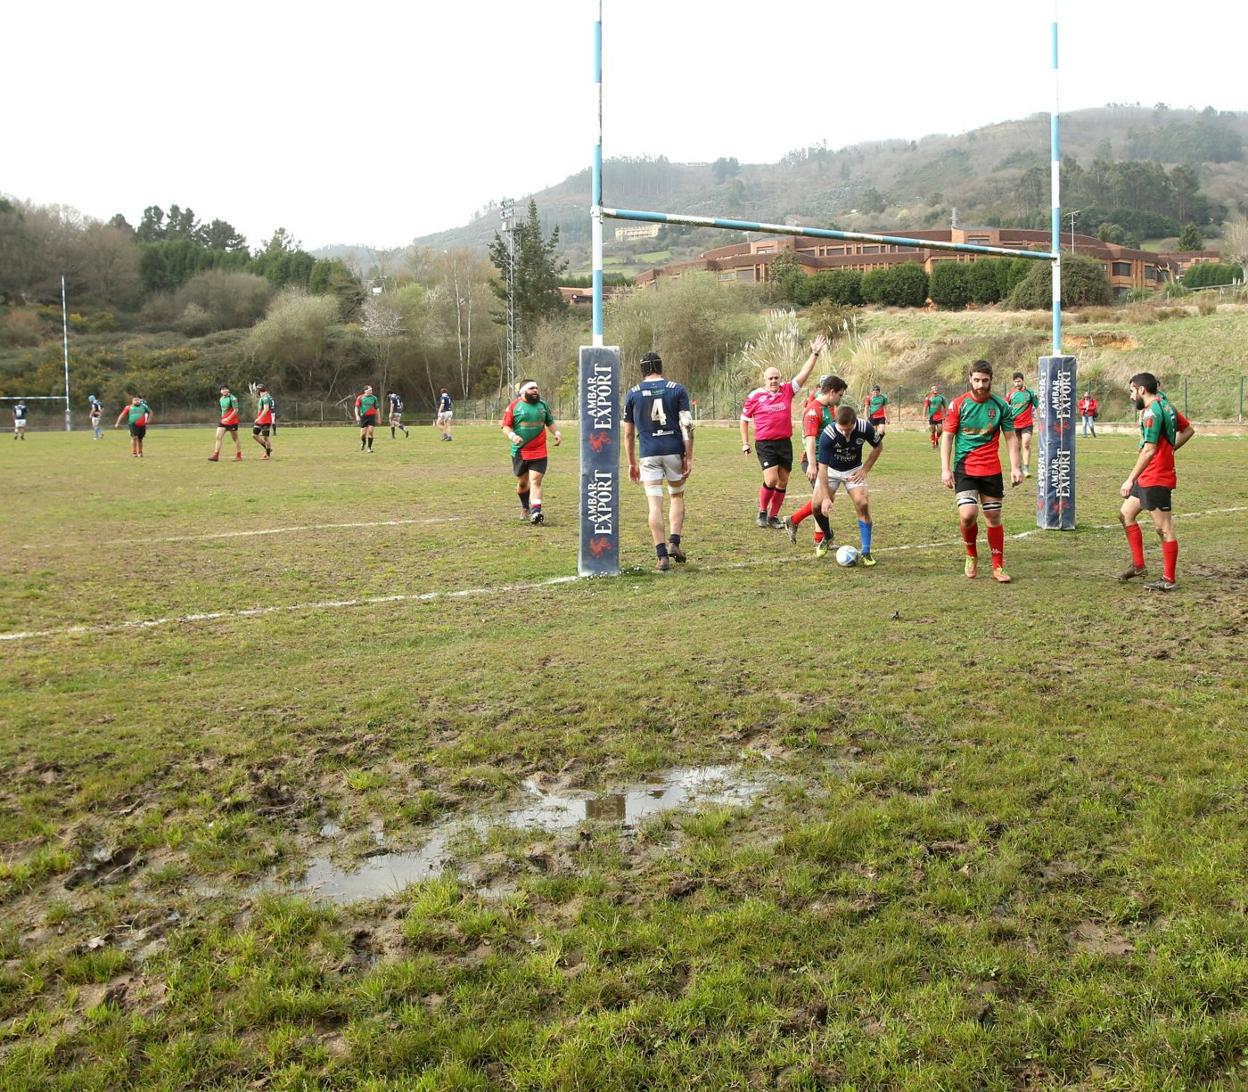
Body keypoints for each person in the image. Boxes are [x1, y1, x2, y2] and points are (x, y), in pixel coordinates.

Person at [941, 360, 1022, 583]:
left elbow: (1010, 437)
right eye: (976, 380)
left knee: (993, 516)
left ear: (991, 380)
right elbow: (947, 437)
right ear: (970, 379)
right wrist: (945, 469)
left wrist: (1016, 467)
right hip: (965, 468)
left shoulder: (1001, 406)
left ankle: (998, 566)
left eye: (985, 380)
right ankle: (971, 555)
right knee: (968, 515)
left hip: (990, 469)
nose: (980, 385)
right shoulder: (958, 405)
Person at [740, 333, 828, 528]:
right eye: (770, 378)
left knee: (783, 481)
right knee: (771, 479)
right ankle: (762, 511)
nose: (773, 381)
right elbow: (744, 420)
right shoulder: (755, 396)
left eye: (776, 378)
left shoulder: (787, 390)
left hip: (784, 442)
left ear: (781, 379)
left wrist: (814, 354)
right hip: (765, 443)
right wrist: (745, 442)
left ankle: (773, 516)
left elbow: (803, 375)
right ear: (764, 380)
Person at [1118, 372, 1195, 592]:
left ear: (1141, 390)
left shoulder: (1152, 412)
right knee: (1125, 514)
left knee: (1163, 528)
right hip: (1149, 476)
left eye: (1132, 391)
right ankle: (1139, 565)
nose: (1132, 397)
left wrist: (1129, 479)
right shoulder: (1166, 405)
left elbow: (1149, 450)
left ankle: (1169, 579)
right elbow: (1188, 429)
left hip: (1156, 477)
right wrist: (1170, 448)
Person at [624, 352, 694, 571]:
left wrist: (631, 462)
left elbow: (627, 434)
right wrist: (688, 455)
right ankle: (674, 542)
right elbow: (687, 426)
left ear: (642, 370)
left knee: (654, 504)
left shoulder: (633, 394)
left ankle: (662, 556)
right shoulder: (678, 389)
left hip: (648, 453)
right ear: (661, 367)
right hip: (673, 450)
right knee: (676, 496)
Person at [814, 405, 884, 565]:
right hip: (830, 470)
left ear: (855, 422)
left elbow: (878, 446)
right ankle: (827, 535)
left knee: (863, 503)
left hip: (853, 470)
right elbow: (822, 468)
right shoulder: (828, 434)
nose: (845, 432)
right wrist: (826, 498)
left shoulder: (864, 427)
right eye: (842, 429)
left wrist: (865, 469)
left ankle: (866, 551)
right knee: (817, 506)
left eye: (849, 429)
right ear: (836, 422)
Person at [784, 374, 847, 547]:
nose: (840, 399)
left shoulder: (827, 408)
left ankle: (794, 520)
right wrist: (812, 464)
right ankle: (821, 539)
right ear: (832, 392)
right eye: (840, 395)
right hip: (815, 461)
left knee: (824, 499)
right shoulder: (814, 410)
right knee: (821, 502)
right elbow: (810, 439)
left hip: (826, 461)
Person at [502, 380, 561, 524]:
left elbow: (550, 422)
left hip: (539, 451)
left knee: (535, 481)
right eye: (531, 388)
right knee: (523, 483)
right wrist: (513, 436)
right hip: (521, 451)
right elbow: (505, 426)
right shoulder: (514, 406)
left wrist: (557, 433)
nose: (535, 390)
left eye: (536, 388)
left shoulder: (543, 405)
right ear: (523, 391)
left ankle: (536, 512)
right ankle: (524, 507)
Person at [1007, 371, 1039, 478]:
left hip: (1027, 424)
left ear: (1022, 381)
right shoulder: (1010, 394)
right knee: (1017, 447)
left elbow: (1038, 405)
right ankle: (1018, 467)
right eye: (1015, 382)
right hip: (1014, 425)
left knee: (1026, 443)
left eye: (1019, 381)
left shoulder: (1030, 392)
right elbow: (1005, 408)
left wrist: (1041, 418)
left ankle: (1026, 468)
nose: (1017, 383)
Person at [209, 385, 243, 462]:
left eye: (225, 389)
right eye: (222, 389)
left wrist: (228, 418)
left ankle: (239, 456)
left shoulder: (233, 398)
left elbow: (236, 410)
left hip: (232, 421)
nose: (224, 390)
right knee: (218, 436)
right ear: (220, 391)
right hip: (224, 421)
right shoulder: (221, 399)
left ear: (228, 390)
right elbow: (223, 411)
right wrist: (223, 418)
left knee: (235, 438)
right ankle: (216, 455)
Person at [253, 385, 276, 459]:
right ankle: (267, 448)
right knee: (254, 435)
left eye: (257, 390)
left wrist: (259, 418)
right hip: (261, 420)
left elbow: (266, 409)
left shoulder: (265, 397)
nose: (256, 392)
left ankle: (268, 455)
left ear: (259, 390)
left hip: (265, 420)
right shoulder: (265, 397)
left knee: (266, 438)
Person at [355, 385, 380, 451]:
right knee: (363, 435)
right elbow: (356, 407)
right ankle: (363, 443)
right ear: (365, 391)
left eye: (371, 390)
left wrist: (379, 418)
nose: (371, 391)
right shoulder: (360, 397)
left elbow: (377, 408)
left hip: (371, 416)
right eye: (369, 390)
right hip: (363, 417)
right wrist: (357, 416)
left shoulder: (374, 398)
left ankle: (369, 448)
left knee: (371, 432)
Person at [923, 384, 946, 450]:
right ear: (931, 390)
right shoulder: (928, 398)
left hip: (939, 416)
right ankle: (933, 443)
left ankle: (936, 439)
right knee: (933, 431)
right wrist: (924, 416)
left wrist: (945, 415)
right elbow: (925, 407)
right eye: (933, 389)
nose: (935, 390)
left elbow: (945, 407)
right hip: (932, 416)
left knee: (940, 430)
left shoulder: (941, 398)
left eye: (936, 389)